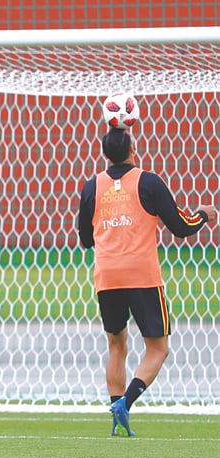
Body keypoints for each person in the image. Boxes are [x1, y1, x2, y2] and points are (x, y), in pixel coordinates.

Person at [77, 128, 217, 436]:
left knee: (117, 346)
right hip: (142, 276)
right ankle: (125, 403)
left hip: (108, 276)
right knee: (158, 349)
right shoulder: (148, 182)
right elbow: (180, 227)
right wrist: (203, 215)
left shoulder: (92, 187)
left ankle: (116, 417)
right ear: (133, 148)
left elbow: (85, 239)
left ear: (104, 155)